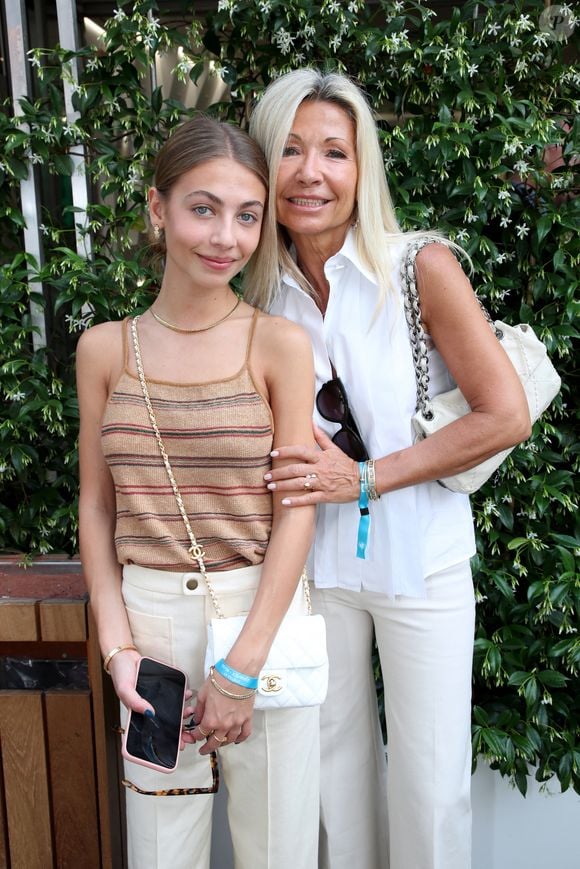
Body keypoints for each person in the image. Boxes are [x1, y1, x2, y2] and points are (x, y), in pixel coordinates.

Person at [248, 69, 531, 869]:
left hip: (423, 560)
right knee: (334, 776)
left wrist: (363, 479)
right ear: (264, 165)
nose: (311, 172)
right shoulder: (261, 292)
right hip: (318, 568)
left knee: (430, 784)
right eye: (291, 150)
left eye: (334, 152)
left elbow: (503, 413)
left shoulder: (418, 267)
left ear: (362, 168)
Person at [76, 116, 318, 869]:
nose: (226, 236)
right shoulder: (104, 348)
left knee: (276, 850)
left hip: (262, 619)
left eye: (247, 215)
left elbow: (296, 508)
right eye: (203, 208)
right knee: (158, 852)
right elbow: (95, 503)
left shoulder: (276, 343)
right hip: (148, 629)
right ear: (158, 208)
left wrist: (242, 668)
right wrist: (116, 646)